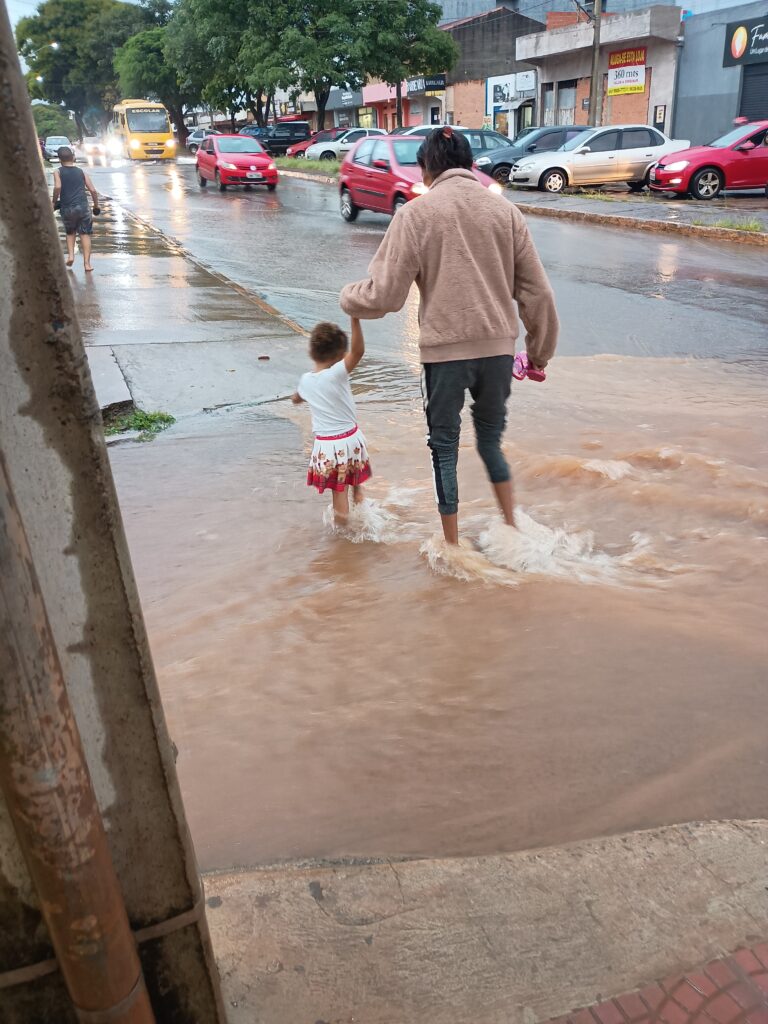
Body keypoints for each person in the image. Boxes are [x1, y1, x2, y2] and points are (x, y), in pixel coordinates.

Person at [340, 126, 558, 546]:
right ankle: (512, 526)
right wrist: (538, 355)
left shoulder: (416, 214)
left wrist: (348, 299)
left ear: (426, 170)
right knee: (491, 441)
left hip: (444, 355)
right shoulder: (506, 213)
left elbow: (384, 296)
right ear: (470, 164)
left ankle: (453, 546)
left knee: (444, 448)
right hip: (497, 352)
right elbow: (537, 293)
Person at [292, 319, 372, 527]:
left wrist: (297, 398)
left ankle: (344, 534)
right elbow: (358, 351)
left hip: (329, 447)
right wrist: (355, 319)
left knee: (338, 493)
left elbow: (297, 397)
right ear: (339, 356)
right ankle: (358, 495)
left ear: (312, 352)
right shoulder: (337, 373)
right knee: (351, 472)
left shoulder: (306, 380)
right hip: (353, 440)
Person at [51, 146, 100, 272]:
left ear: (60, 159)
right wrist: (96, 205)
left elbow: (57, 187)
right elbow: (93, 190)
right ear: (73, 157)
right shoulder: (81, 172)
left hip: (67, 207)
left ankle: (71, 256)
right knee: (85, 234)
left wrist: (54, 201)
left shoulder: (58, 171)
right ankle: (87, 264)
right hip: (83, 207)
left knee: (70, 232)